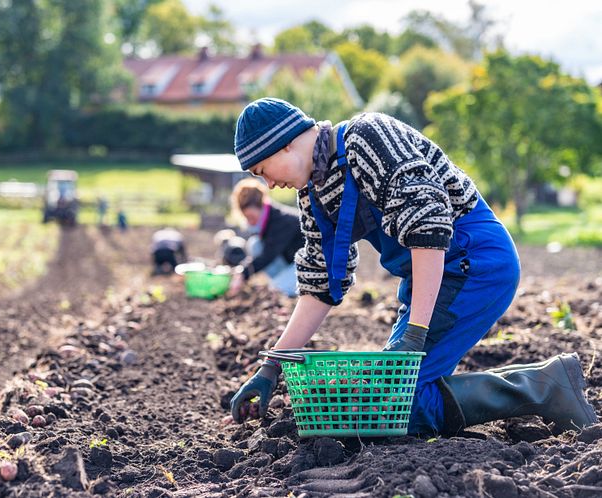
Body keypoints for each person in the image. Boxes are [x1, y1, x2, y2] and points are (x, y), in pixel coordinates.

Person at [229, 97, 598, 435]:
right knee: (384, 402)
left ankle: (545, 388)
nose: (268, 183)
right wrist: (271, 366)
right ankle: (547, 383)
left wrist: (415, 333)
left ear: (287, 142)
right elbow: (321, 285)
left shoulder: (366, 137)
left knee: (394, 409)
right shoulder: (313, 194)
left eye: (263, 169)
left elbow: (429, 227)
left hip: (473, 263)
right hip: (431, 280)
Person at [226, 178, 304, 298]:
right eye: (246, 218)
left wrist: (242, 273)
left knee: (275, 289)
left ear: (261, 207)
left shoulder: (282, 221)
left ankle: (284, 286)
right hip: (290, 263)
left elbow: (268, 255)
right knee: (255, 244)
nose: (249, 222)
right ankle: (283, 283)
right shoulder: (267, 220)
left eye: (251, 216)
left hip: (309, 265)